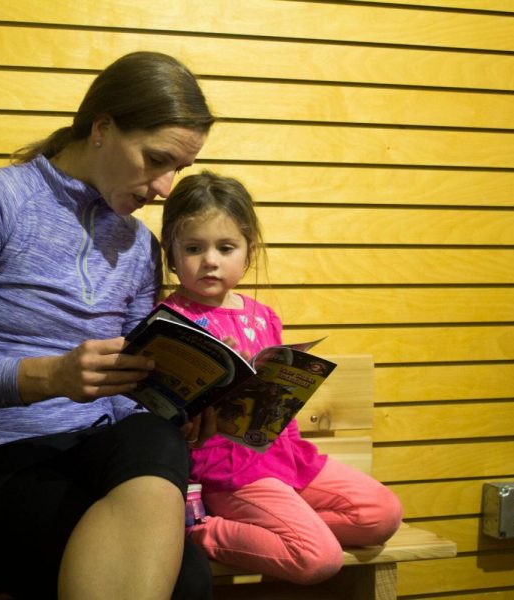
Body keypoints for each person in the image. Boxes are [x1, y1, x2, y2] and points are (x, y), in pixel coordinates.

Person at [0, 51, 218, 600]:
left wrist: (180, 405)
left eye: (179, 169)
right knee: (184, 579)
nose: (166, 188)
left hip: (90, 453)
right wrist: (50, 377)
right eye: (156, 159)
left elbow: (127, 391)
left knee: (154, 436)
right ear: (102, 128)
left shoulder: (138, 245)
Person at [159, 171, 403, 585]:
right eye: (194, 248)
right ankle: (200, 531)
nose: (210, 261)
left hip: (282, 457)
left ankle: (287, 525)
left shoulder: (263, 316)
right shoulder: (171, 321)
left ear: (248, 253)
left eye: (226, 247)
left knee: (381, 514)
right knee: (316, 558)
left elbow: (277, 400)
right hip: (226, 469)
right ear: (172, 254)